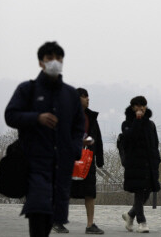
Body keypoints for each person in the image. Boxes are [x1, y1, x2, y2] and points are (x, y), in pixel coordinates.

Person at [4, 41, 85, 237]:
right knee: (38, 211)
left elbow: (78, 126)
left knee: (53, 215)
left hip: (62, 166)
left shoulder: (70, 94)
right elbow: (11, 115)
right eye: (50, 58)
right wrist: (36, 118)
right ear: (41, 62)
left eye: (58, 58)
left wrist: (74, 150)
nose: (54, 62)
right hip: (35, 164)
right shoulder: (27, 90)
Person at [121, 95, 161, 233]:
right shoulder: (126, 124)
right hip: (135, 164)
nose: (141, 108)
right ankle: (142, 222)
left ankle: (130, 214)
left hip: (149, 164)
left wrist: (157, 161)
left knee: (148, 192)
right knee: (139, 192)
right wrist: (137, 121)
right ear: (133, 108)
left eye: (143, 105)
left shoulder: (151, 125)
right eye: (138, 106)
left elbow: (155, 144)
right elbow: (129, 138)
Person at [69, 87, 105, 234]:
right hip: (70, 158)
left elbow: (99, 139)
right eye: (84, 96)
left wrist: (100, 159)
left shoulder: (91, 118)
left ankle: (90, 224)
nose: (87, 99)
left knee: (90, 192)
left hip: (88, 159)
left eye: (88, 96)